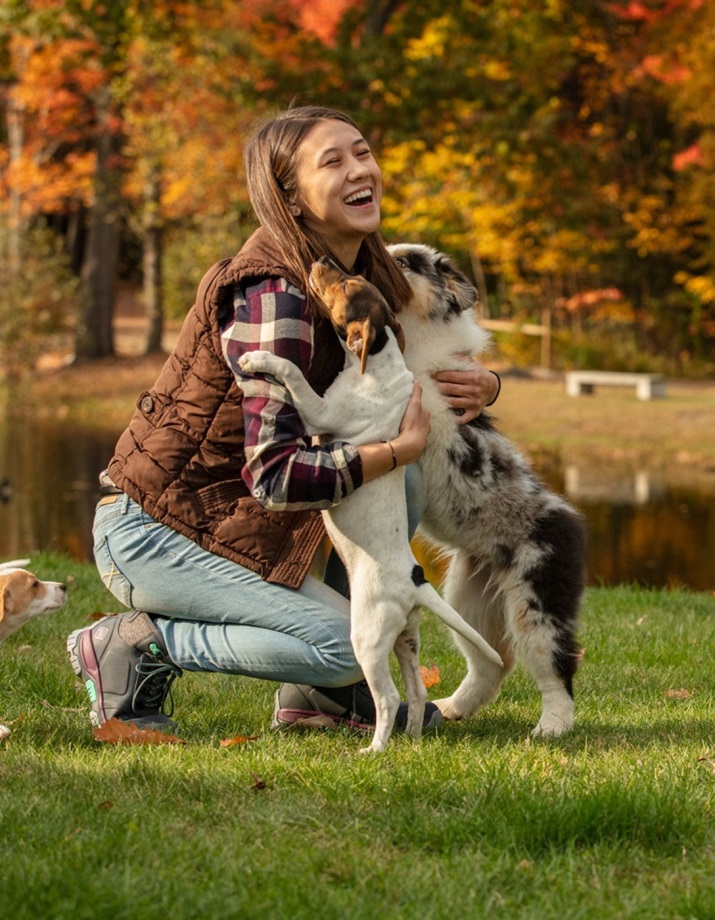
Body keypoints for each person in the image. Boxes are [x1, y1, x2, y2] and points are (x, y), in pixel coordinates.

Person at [66, 104, 500, 734]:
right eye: (334, 161)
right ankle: (131, 645)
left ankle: (320, 701)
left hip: (241, 518)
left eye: (362, 151)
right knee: (337, 643)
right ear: (292, 199)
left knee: (396, 485)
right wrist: (395, 453)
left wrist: (486, 383)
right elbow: (274, 475)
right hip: (156, 534)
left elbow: (401, 375)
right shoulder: (277, 297)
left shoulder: (360, 270)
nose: (361, 169)